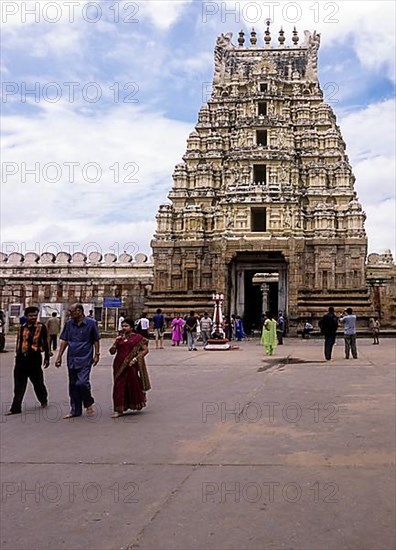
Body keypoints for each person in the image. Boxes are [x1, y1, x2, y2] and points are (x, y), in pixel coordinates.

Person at [55, 303, 100, 418]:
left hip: (85, 357)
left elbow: (95, 340)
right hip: (72, 357)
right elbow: (64, 340)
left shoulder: (91, 323)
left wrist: (97, 354)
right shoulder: (69, 324)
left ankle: (88, 401)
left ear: (79, 311)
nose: (70, 314)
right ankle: (75, 410)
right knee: (73, 385)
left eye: (72, 311)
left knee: (82, 383)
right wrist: (59, 356)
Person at [5, 306, 50, 415]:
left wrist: (47, 357)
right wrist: (17, 354)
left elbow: (46, 342)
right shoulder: (22, 327)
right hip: (21, 359)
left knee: (38, 382)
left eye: (35, 315)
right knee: (19, 384)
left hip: (34, 359)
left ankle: (43, 399)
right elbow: (19, 342)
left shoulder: (41, 327)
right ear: (26, 316)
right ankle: (15, 408)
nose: (33, 317)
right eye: (31, 316)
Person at [109, 318, 150, 418]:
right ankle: (119, 409)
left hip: (131, 364)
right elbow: (112, 352)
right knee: (118, 385)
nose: (124, 328)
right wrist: (115, 343)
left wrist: (135, 359)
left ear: (131, 327)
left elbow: (145, 350)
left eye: (126, 326)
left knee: (132, 384)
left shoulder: (138, 338)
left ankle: (138, 399)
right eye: (123, 326)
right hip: (119, 364)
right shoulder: (120, 338)